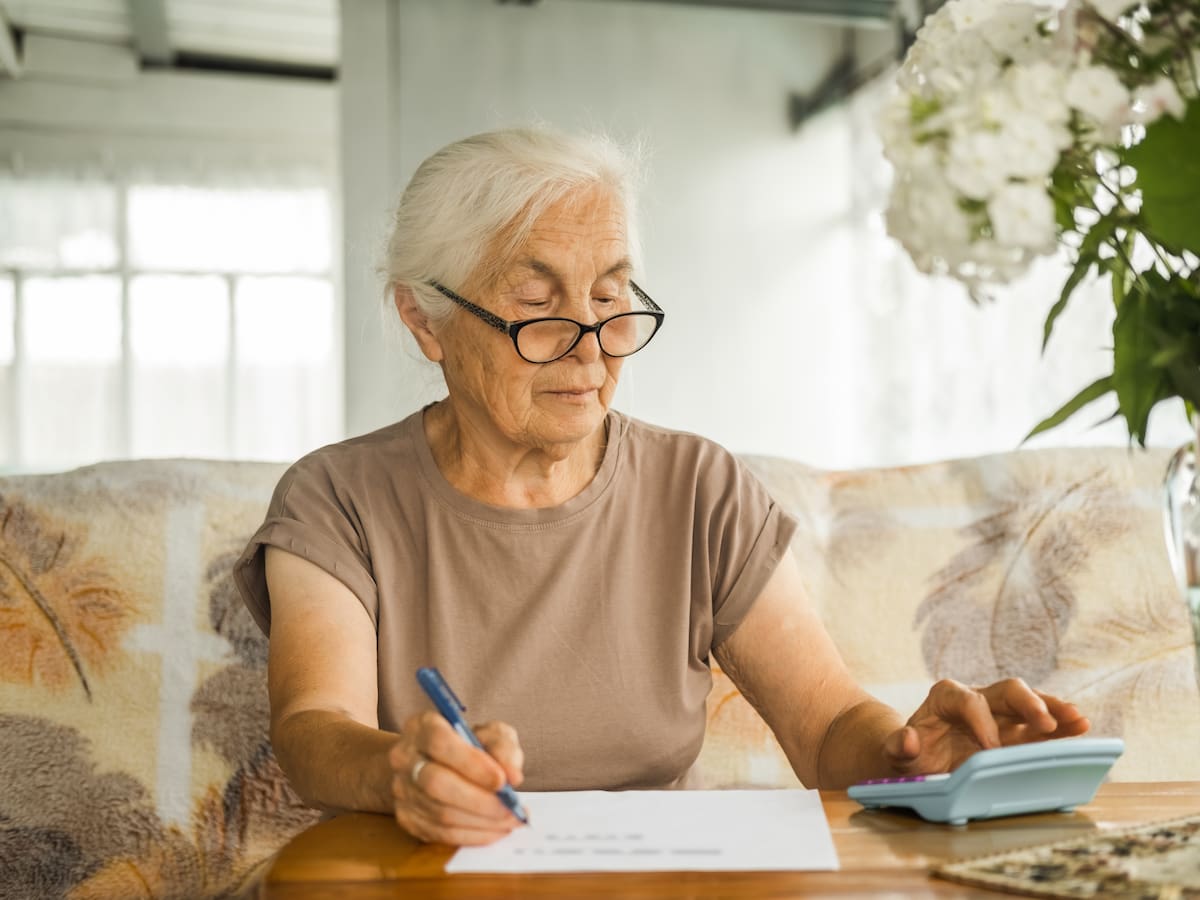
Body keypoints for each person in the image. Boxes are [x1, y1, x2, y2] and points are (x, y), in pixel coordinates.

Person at [233, 126, 1090, 847]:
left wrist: (915, 756)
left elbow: (826, 725)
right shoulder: (335, 497)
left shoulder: (700, 490)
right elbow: (313, 728)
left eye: (609, 298)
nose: (591, 347)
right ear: (425, 320)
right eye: (538, 305)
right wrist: (402, 770)